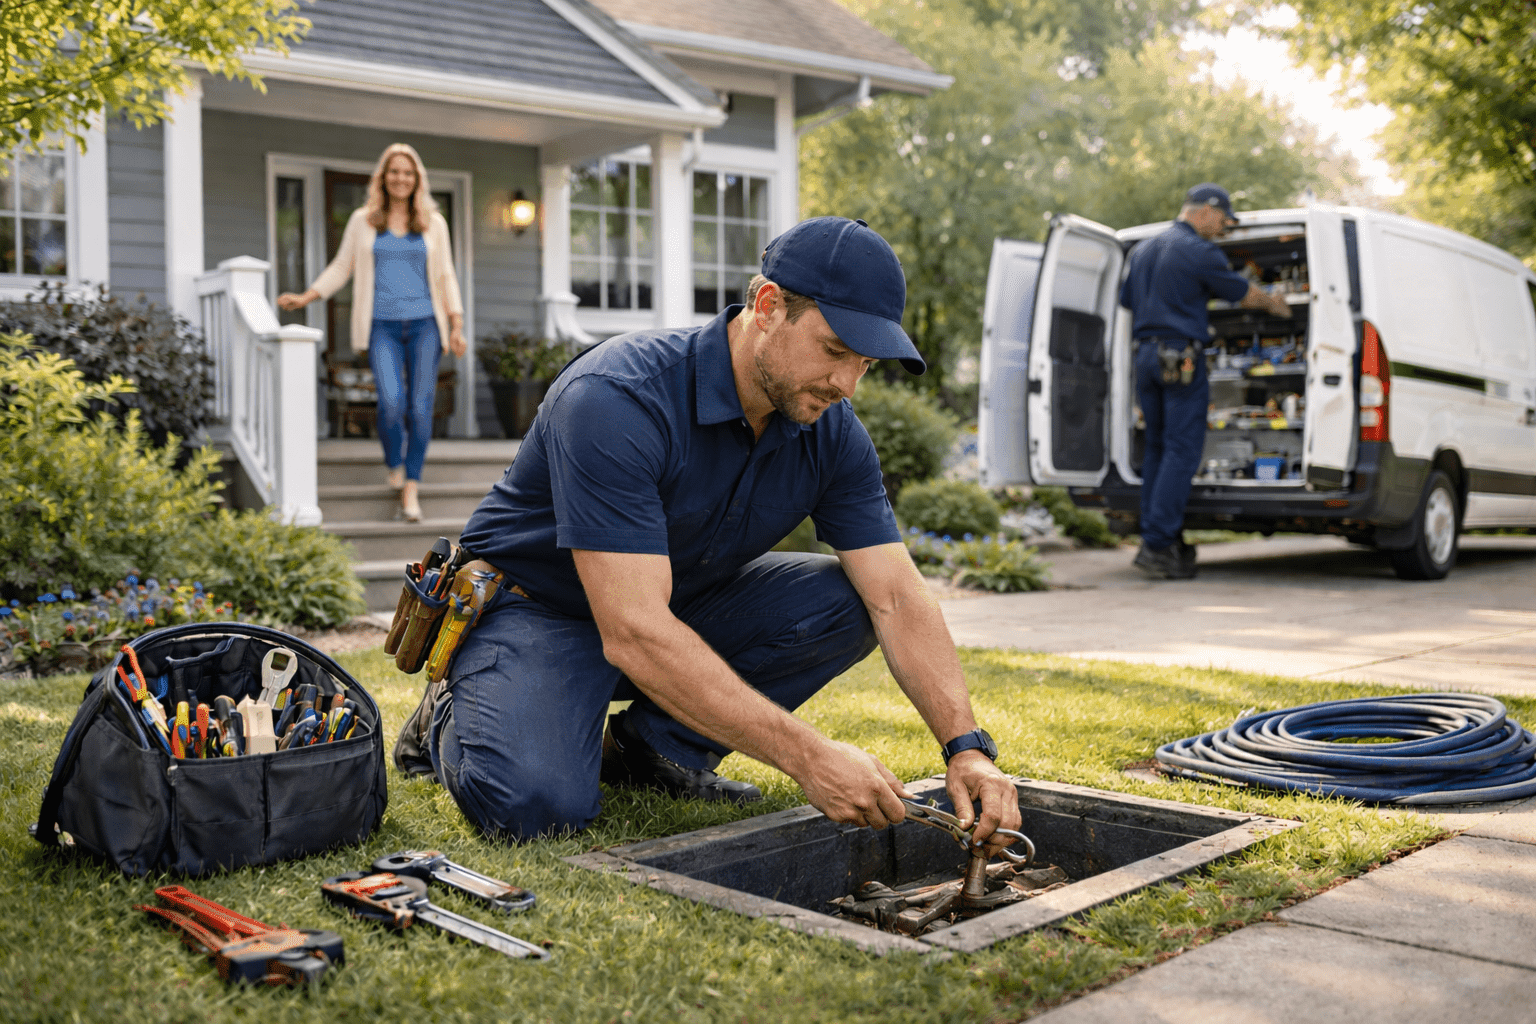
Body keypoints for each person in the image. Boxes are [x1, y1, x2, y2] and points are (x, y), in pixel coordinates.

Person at [409, 216, 1022, 851]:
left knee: (847, 600)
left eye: (864, 364)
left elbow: (897, 594)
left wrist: (967, 748)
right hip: (537, 612)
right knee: (534, 806)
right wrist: (808, 756)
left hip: (668, 608)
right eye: (834, 350)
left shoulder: (831, 431)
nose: (847, 385)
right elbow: (635, 631)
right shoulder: (617, 398)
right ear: (767, 306)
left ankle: (654, 751)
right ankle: (449, 711)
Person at [278, 143, 465, 522]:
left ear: (417, 180)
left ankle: (411, 487)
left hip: (426, 324)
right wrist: (307, 296)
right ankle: (394, 460)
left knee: (421, 406)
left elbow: (445, 275)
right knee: (392, 403)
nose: (401, 178)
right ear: (383, 177)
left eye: (408, 173)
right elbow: (341, 266)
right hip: (382, 326)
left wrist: (456, 322)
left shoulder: (434, 222)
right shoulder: (363, 220)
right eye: (394, 171)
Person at [1119, 183, 1292, 579]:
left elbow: (1127, 300)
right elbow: (1240, 292)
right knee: (1182, 451)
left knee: (1159, 450)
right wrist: (1274, 304)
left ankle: (1160, 538)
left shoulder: (1143, 249)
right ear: (1203, 212)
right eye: (1222, 220)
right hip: (1180, 358)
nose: (1223, 229)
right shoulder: (1199, 251)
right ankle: (1158, 545)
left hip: (1146, 357)